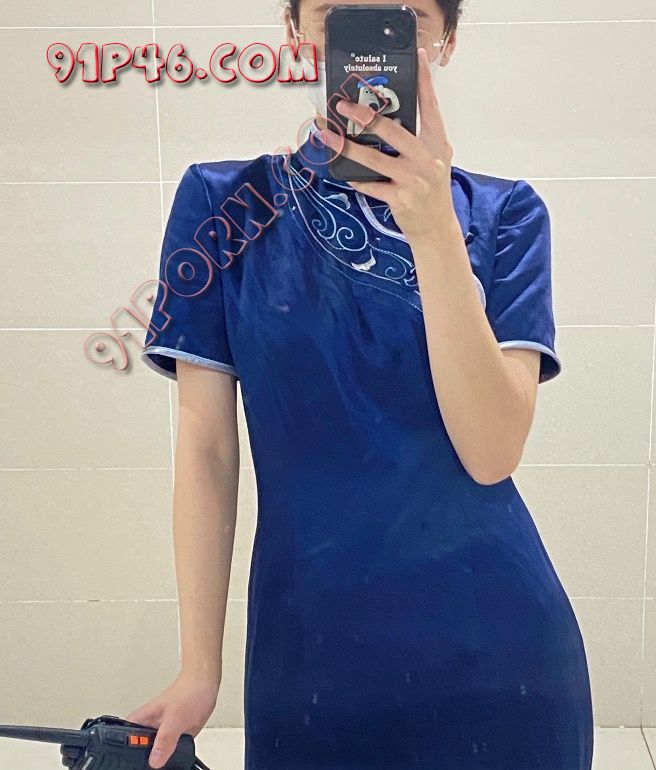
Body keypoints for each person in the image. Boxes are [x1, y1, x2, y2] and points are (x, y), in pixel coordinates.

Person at [127, 0, 595, 767]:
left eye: (403, 17)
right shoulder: (224, 205)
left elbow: (492, 452)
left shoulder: (505, 215)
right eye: (340, 14)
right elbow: (207, 450)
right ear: (296, 32)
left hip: (497, 657)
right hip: (308, 661)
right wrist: (199, 668)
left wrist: (434, 228)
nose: (375, 41)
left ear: (445, 39)